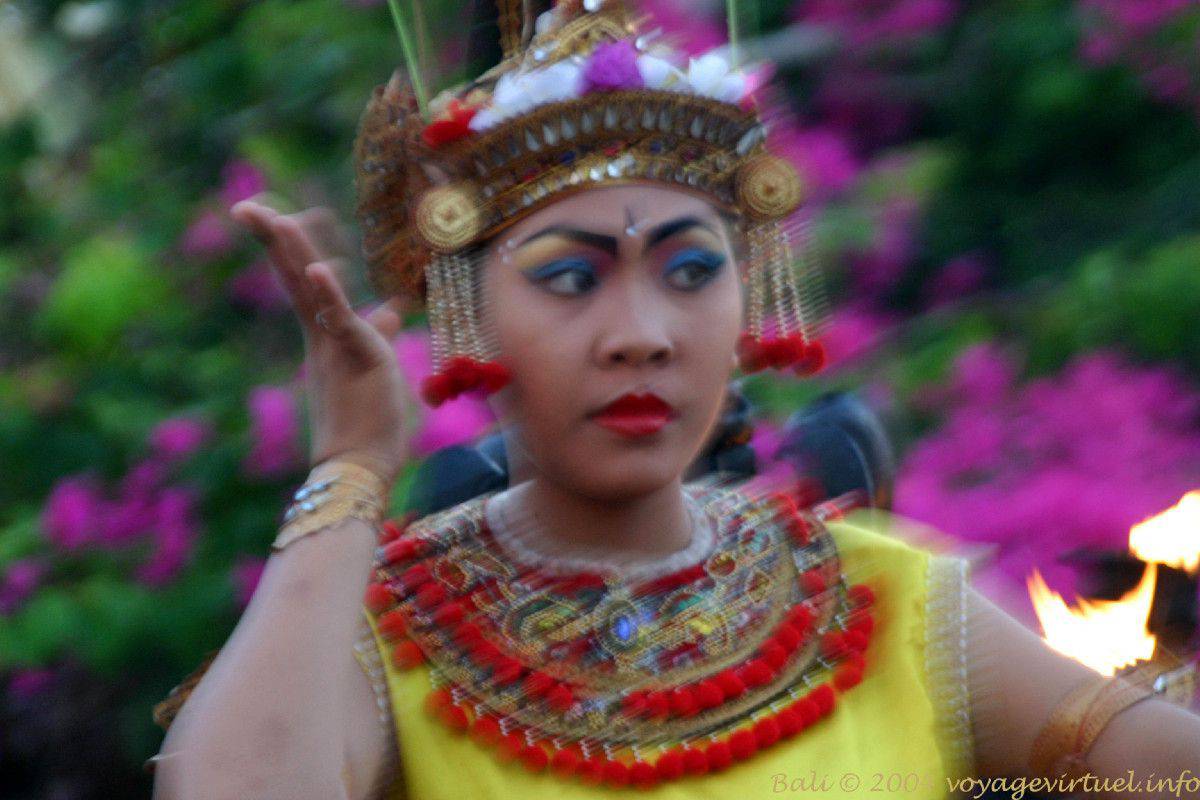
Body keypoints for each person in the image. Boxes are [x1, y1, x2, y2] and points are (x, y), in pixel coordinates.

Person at [150, 2, 1200, 799]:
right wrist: (350, 467)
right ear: (469, 312)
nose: (644, 332)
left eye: (692, 269)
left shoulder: (883, 597)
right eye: (571, 277)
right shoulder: (390, 637)